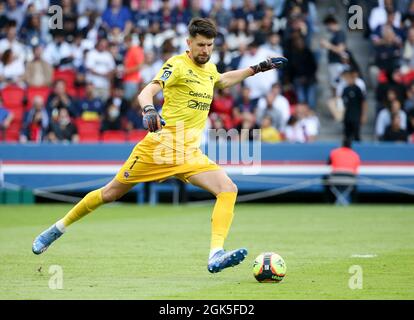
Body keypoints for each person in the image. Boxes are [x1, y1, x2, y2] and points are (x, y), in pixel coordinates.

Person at [32, 18, 288, 274]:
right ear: (189, 43)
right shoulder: (176, 65)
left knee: (228, 189)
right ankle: (57, 229)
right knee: (110, 193)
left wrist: (257, 68)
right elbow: (147, 91)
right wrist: (149, 109)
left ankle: (215, 254)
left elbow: (221, 81)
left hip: (190, 153)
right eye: (200, 45)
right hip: (160, 149)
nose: (205, 50)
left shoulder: (209, 69)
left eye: (210, 45)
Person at [325, 138, 361, 205]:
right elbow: (356, 170)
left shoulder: (334, 152)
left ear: (341, 144)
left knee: (325, 180)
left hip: (334, 179)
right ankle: (354, 202)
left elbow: (328, 163)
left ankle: (329, 201)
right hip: (350, 180)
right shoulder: (355, 154)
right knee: (355, 182)